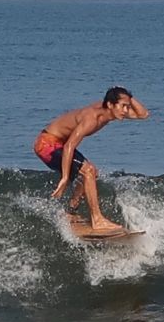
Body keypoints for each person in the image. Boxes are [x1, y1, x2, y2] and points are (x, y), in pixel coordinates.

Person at [33, 86, 150, 232]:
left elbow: (143, 114)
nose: (126, 110)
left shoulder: (110, 111)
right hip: (46, 145)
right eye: (124, 106)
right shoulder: (92, 119)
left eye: (127, 107)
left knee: (92, 172)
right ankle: (97, 220)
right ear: (110, 105)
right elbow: (69, 146)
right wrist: (64, 178)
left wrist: (126, 95)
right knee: (88, 171)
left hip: (58, 143)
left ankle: (70, 212)